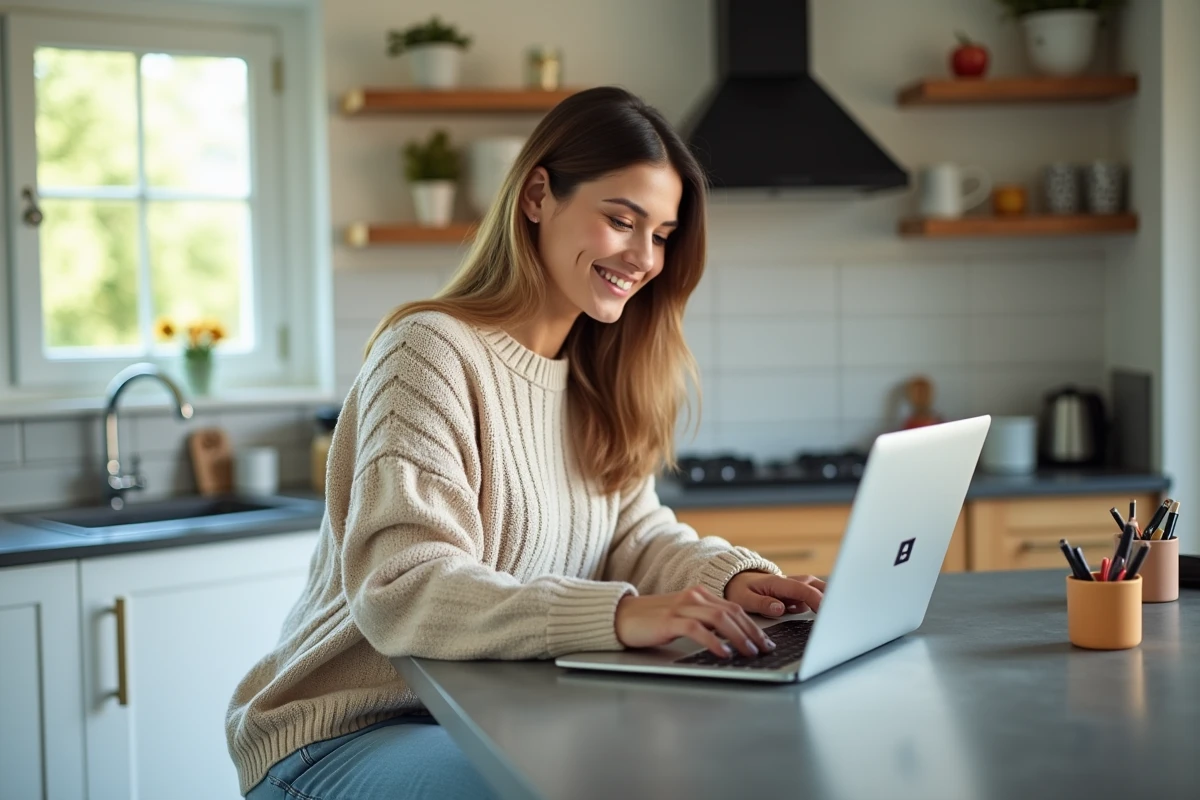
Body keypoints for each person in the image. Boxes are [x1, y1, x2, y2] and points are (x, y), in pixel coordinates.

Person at [228, 86, 826, 800]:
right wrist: (618, 614)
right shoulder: (428, 352)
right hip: (343, 732)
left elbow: (633, 536)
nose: (644, 257)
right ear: (538, 196)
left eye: (662, 235)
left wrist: (731, 579)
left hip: (498, 715)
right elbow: (403, 587)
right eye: (621, 220)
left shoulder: (598, 376)